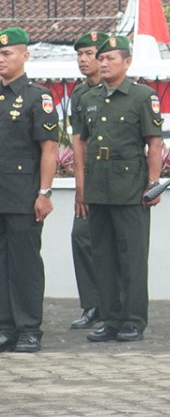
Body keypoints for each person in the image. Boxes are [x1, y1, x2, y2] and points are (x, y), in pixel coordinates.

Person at [78, 35, 163, 343]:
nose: (103, 63)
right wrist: (82, 186)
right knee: (103, 255)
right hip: (99, 185)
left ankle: (133, 319)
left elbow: (154, 142)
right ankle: (111, 318)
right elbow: (82, 142)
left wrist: (154, 183)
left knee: (132, 257)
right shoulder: (89, 98)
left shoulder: (141, 96)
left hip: (130, 187)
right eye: (101, 59)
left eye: (110, 58)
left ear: (126, 62)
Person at [0, 27, 58, 353]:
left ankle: (29, 328)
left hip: (24, 196)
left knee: (25, 264)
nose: (1, 59)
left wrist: (45, 193)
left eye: (7, 53)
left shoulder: (39, 97)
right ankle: (5, 326)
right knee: (1, 264)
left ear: (25, 56)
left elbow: (49, 149)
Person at [68, 32, 105, 330]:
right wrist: (80, 184)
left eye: (89, 53)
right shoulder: (79, 95)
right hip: (89, 175)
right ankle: (92, 304)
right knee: (81, 236)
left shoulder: (122, 88)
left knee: (115, 242)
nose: (83, 59)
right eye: (79, 54)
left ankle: (116, 305)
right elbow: (77, 140)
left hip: (117, 178)